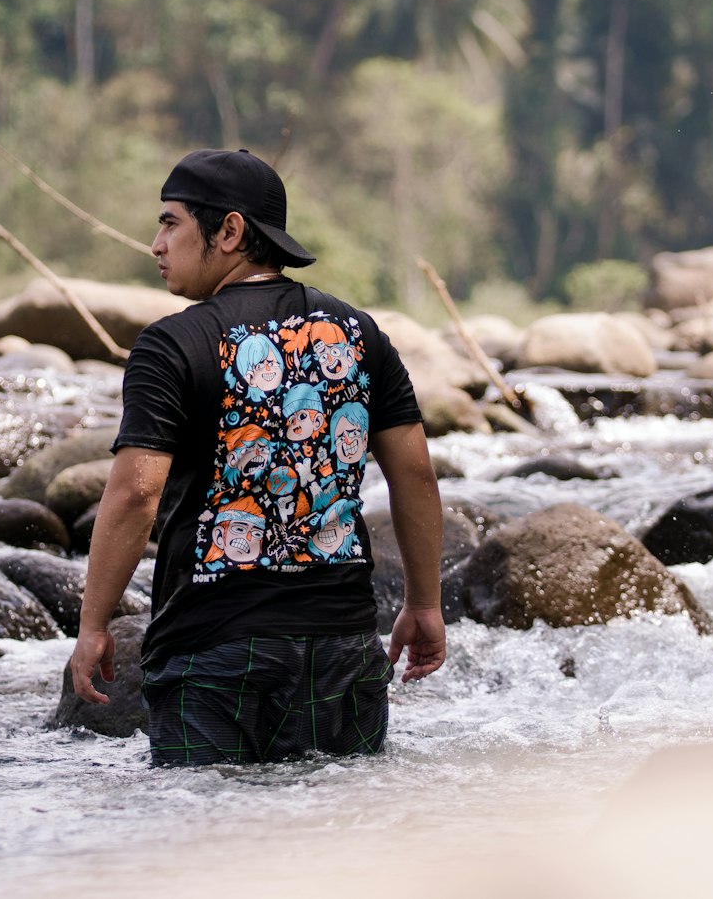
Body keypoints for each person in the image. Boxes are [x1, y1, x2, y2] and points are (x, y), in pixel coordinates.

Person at [70, 147, 445, 765]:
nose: (156, 245)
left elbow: (137, 494)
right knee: (341, 845)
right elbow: (416, 474)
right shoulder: (359, 333)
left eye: (171, 223)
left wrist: (92, 626)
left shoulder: (174, 343)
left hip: (215, 651)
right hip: (343, 648)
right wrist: (424, 604)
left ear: (230, 231)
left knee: (210, 849)